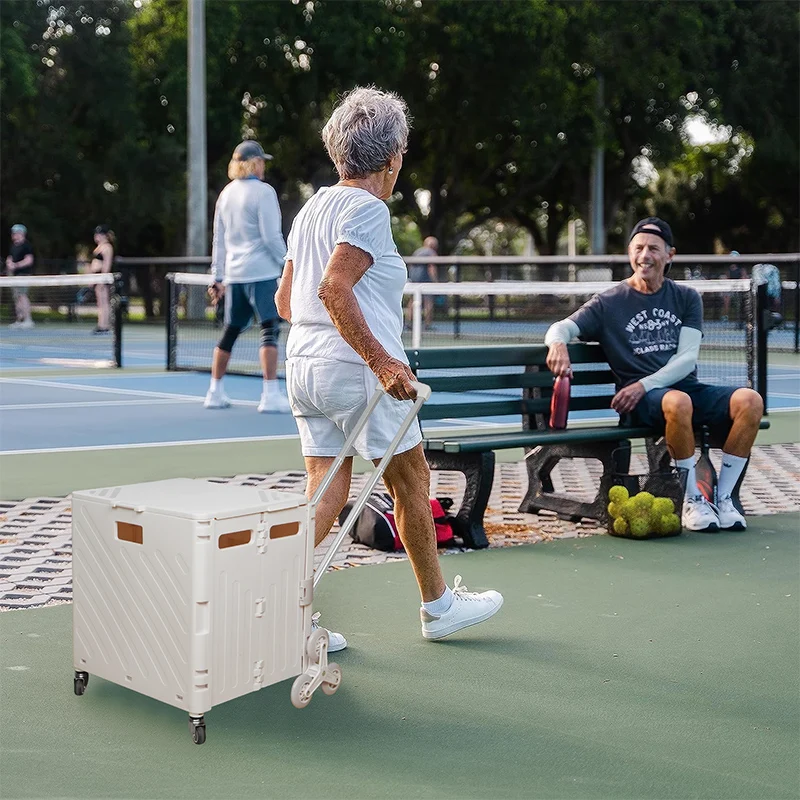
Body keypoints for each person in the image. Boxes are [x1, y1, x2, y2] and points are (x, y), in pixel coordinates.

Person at [275, 87, 503, 650]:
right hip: (354, 369)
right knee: (412, 481)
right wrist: (380, 362)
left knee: (325, 491)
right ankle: (439, 608)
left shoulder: (310, 210)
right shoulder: (368, 208)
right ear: (394, 156)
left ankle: (279, 613)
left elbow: (287, 300)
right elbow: (334, 288)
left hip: (303, 364)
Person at [544, 217, 764, 533]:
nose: (645, 255)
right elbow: (562, 327)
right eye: (639, 248)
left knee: (750, 401)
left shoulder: (687, 297)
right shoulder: (608, 303)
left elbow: (687, 360)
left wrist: (643, 384)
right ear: (630, 253)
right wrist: (557, 344)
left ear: (669, 255)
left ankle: (724, 499)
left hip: (676, 390)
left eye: (653, 249)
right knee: (679, 402)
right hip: (642, 404)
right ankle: (693, 500)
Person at [205, 140, 290, 413]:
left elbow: (219, 241)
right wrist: (291, 263)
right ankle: (270, 394)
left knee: (230, 331)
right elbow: (271, 237)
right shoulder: (264, 192)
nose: (264, 165)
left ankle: (214, 391)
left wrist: (217, 276)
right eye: (261, 160)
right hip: (262, 273)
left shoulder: (225, 194)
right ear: (253, 163)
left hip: (234, 275)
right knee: (269, 330)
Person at [405, 236, 439, 330]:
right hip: (425, 280)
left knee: (412, 301)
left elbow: (411, 265)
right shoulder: (432, 253)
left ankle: (408, 323)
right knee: (429, 302)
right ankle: (427, 325)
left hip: (414, 279)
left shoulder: (417, 251)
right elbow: (431, 267)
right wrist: (436, 282)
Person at [5, 224, 35, 329]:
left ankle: (28, 320)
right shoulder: (13, 247)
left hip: (24, 275)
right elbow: (9, 258)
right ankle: (20, 319)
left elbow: (29, 260)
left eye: (16, 233)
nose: (14, 235)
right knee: (17, 298)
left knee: (23, 296)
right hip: (14, 276)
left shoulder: (26, 245)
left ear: (22, 234)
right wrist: (9, 264)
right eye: (13, 233)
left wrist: (16, 265)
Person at [90, 225, 115, 334]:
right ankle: (101, 323)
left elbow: (106, 264)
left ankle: (105, 325)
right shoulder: (98, 247)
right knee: (100, 302)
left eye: (99, 234)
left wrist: (102, 279)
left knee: (104, 301)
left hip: (102, 277)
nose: (97, 236)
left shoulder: (107, 248)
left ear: (105, 235)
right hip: (96, 276)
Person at [721, 249, 746, 323]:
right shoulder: (728, 269)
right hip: (730, 288)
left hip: (740, 289)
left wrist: (740, 282)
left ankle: (742, 317)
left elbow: (744, 277)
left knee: (742, 301)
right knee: (726, 298)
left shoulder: (741, 269)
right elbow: (726, 278)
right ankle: (725, 316)